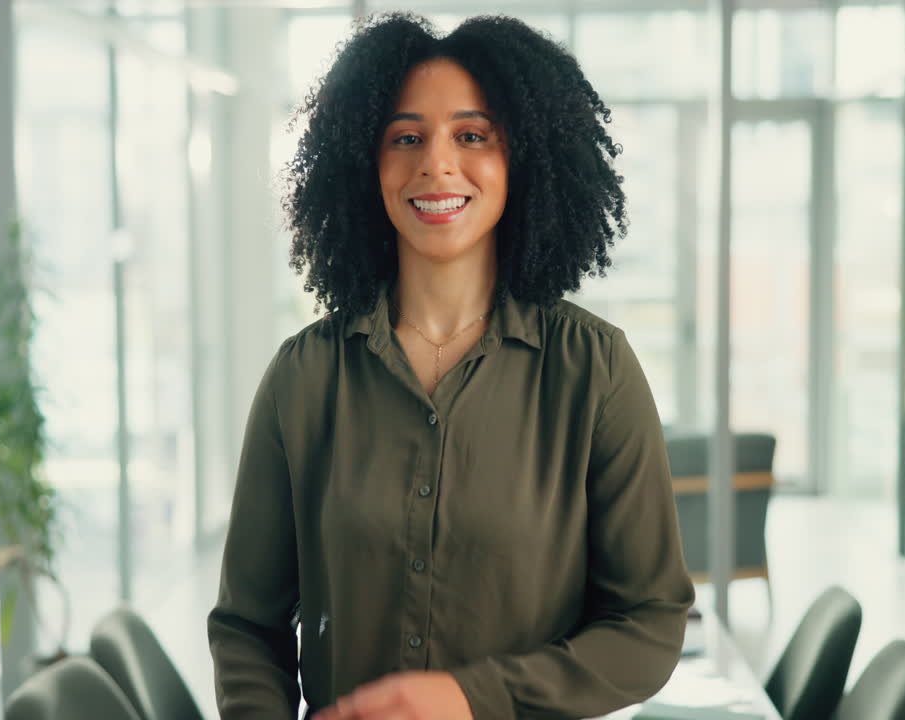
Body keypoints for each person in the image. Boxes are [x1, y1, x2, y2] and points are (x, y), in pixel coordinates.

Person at [207, 12, 694, 720]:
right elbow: (248, 627)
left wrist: (475, 698)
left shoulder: (595, 373)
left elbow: (650, 623)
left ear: (521, 159)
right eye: (406, 138)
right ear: (365, 166)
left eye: (472, 136)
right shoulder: (304, 379)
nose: (436, 163)